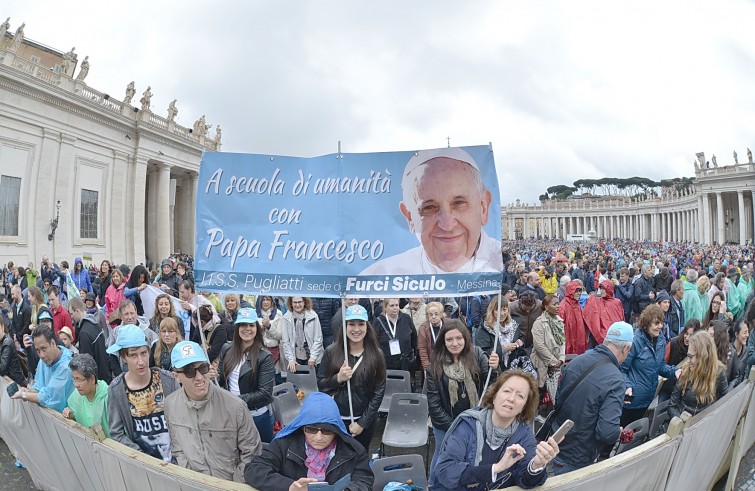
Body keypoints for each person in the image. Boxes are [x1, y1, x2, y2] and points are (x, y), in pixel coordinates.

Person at [360, 147, 502, 275]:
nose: (447, 225)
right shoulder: (380, 275)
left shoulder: (502, 267)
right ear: (410, 217)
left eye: (459, 203)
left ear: (483, 208)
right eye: (429, 208)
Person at [431, 370, 560, 490]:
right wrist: (495, 469)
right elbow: (445, 470)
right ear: (494, 396)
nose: (511, 399)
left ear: (523, 407)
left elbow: (525, 479)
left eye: (520, 396)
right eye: (507, 391)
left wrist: (536, 466)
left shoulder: (524, 435)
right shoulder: (468, 425)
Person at [165, 340, 261, 482]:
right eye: (189, 371)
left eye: (203, 368)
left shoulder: (236, 407)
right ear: (176, 376)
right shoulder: (170, 404)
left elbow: (251, 454)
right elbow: (178, 448)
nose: (199, 377)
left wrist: (232, 486)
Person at [244, 392, 374, 491]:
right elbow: (254, 469)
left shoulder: (354, 450)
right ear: (302, 427)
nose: (318, 437)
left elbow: (364, 480)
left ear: (336, 431)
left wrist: (348, 489)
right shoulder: (284, 444)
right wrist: (289, 486)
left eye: (327, 431)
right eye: (311, 430)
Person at [550, 322, 633, 475]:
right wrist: (617, 431)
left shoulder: (577, 361)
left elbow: (559, 399)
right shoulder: (616, 380)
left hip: (558, 441)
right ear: (626, 348)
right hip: (580, 454)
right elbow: (607, 432)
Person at [425, 320, 499, 474]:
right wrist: (454, 426)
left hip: (475, 419)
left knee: (471, 454)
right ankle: (434, 484)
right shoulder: (434, 365)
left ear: (465, 338)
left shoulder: (477, 354)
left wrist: (495, 369)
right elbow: (434, 404)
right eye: (449, 339)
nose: (455, 343)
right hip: (445, 423)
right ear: (443, 342)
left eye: (459, 338)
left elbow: (491, 385)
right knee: (443, 454)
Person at [317, 304, 386, 452]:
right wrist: (338, 378)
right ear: (345, 326)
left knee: (360, 456)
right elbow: (320, 385)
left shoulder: (376, 355)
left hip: (364, 420)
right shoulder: (331, 352)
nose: (356, 329)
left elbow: (379, 391)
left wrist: (362, 423)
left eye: (361, 324)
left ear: (367, 327)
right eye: (351, 324)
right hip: (336, 419)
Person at [107, 324, 179, 462]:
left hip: (176, 463)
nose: (141, 362)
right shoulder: (117, 390)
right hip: (143, 466)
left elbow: (183, 419)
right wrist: (141, 457)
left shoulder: (167, 380)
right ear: (123, 357)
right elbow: (116, 433)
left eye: (143, 353)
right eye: (133, 355)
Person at [217, 308, 275, 443]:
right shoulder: (227, 349)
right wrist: (214, 376)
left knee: (260, 456)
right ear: (237, 327)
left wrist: (234, 401)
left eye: (251, 325)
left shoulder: (264, 356)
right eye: (243, 324)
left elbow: (265, 393)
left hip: (256, 416)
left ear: (257, 328)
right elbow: (221, 380)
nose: (247, 329)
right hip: (231, 414)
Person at [620, 304, 679, 427]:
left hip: (647, 398)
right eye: (656, 323)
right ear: (646, 323)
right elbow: (621, 369)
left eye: (661, 323)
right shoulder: (636, 341)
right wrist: (628, 385)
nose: (660, 327)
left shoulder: (661, 340)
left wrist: (674, 371)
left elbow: (660, 366)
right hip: (632, 400)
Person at [11, 325, 74, 412]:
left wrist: (24, 395)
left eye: (43, 349)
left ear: (53, 343)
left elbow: (49, 397)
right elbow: (39, 388)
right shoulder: (45, 360)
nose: (41, 355)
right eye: (38, 350)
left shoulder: (66, 367)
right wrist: (28, 391)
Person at [668, 331, 728, 419]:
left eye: (691, 357)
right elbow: (672, 406)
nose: (687, 361)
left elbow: (724, 402)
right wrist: (681, 423)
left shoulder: (718, 373)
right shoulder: (686, 371)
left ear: (703, 357)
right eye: (688, 356)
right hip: (682, 424)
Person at [62, 353, 110, 436]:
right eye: (74, 379)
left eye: (79, 380)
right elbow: (74, 416)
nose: (76, 385)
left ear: (92, 379)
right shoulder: (75, 397)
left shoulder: (108, 397)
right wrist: (70, 415)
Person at [69, 297, 111, 384]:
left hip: (97, 380)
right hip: (105, 372)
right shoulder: (94, 323)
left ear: (77, 311)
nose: (71, 317)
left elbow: (86, 363)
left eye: (71, 314)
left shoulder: (84, 333)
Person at [530, 295, 565, 398]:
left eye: (558, 303)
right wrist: (553, 361)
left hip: (557, 366)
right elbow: (539, 346)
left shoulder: (559, 321)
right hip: (542, 364)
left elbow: (563, 341)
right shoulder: (539, 323)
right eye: (554, 304)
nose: (558, 306)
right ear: (546, 307)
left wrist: (561, 359)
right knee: (539, 394)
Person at [659, 318, 703, 402]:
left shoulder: (698, 350)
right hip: (667, 388)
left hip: (683, 391)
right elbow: (662, 363)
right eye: (686, 334)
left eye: (691, 335)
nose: (687, 338)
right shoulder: (673, 343)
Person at [476, 296, 522, 369]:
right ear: (492, 311)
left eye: (504, 309)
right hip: (494, 370)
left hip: (512, 367)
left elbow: (520, 338)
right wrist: (503, 349)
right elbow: (481, 353)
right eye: (498, 310)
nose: (502, 313)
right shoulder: (485, 328)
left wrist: (519, 342)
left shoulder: (513, 325)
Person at [374, 298, 418, 373]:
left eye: (396, 305)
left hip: (406, 364)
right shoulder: (378, 322)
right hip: (387, 365)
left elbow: (414, 339)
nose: (395, 308)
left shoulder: (406, 318)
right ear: (385, 307)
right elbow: (374, 343)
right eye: (391, 305)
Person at [281, 296, 323, 372]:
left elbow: (318, 339)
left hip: (312, 355)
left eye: (300, 302)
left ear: (304, 302)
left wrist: (313, 356)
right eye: (295, 302)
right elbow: (285, 341)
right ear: (291, 303)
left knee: (313, 381)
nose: (297, 305)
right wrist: (291, 359)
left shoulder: (313, 316)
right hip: (295, 356)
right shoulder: (286, 318)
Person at [583, 280, 625, 346]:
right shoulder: (597, 301)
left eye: (603, 289)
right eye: (601, 289)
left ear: (609, 289)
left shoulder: (617, 302)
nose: (601, 291)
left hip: (614, 334)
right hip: (603, 335)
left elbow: (621, 318)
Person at [256, 295, 284, 383]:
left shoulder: (278, 314)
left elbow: (280, 335)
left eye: (268, 299)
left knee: (275, 378)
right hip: (258, 351)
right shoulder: (254, 314)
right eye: (263, 300)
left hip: (274, 351)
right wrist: (261, 327)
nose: (265, 302)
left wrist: (269, 326)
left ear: (272, 301)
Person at [559, 280, 588, 355]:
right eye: (577, 291)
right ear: (570, 291)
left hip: (579, 339)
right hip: (569, 341)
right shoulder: (563, 306)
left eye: (580, 291)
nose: (579, 293)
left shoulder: (576, 304)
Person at [710, 320, 740, 390]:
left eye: (711, 335)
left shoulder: (732, 353)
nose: (708, 338)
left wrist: (728, 391)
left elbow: (735, 377)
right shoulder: (704, 352)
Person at [418, 301, 445, 373]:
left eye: (436, 314)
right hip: (431, 361)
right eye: (431, 314)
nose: (433, 316)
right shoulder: (423, 328)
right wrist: (426, 368)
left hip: (446, 360)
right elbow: (422, 349)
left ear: (441, 314)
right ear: (427, 316)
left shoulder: (448, 324)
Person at [0, 313, 26, 386]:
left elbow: (2, 369)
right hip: (9, 381)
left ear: (2, 326)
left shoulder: (7, 343)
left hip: (17, 383)